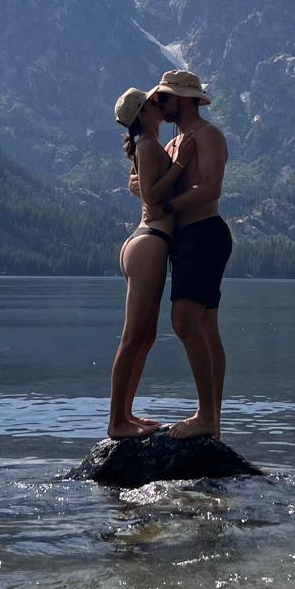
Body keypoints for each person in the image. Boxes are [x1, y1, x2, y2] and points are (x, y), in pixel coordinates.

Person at [148, 69, 232, 441]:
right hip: (186, 239)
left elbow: (211, 187)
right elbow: (149, 187)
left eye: (163, 98)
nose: (159, 105)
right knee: (206, 328)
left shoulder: (208, 135)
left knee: (184, 321)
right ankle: (212, 422)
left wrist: (167, 204)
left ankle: (205, 415)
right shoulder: (173, 144)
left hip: (205, 234)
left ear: (182, 98)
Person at [106, 86, 190, 439]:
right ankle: (116, 422)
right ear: (143, 114)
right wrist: (182, 163)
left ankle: (126, 413)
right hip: (150, 242)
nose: (159, 104)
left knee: (146, 335)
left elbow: (145, 187)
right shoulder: (149, 145)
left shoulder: (147, 147)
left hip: (147, 242)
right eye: (152, 102)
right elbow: (154, 199)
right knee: (132, 337)